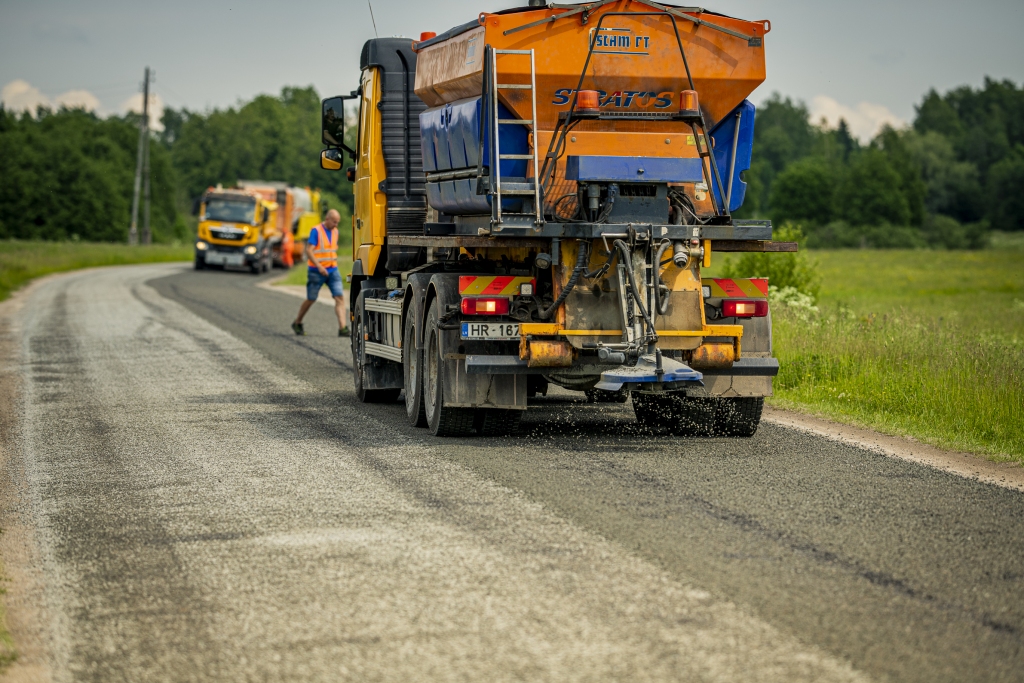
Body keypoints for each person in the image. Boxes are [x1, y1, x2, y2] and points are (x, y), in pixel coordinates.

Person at [292, 209, 349, 336]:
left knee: (339, 297)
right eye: (334, 222)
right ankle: (297, 322)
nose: (336, 224)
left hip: (332, 270)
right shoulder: (316, 231)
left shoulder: (335, 232)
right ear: (327, 219)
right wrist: (319, 267)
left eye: (337, 222)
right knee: (311, 298)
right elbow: (309, 251)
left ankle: (343, 328)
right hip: (316, 271)